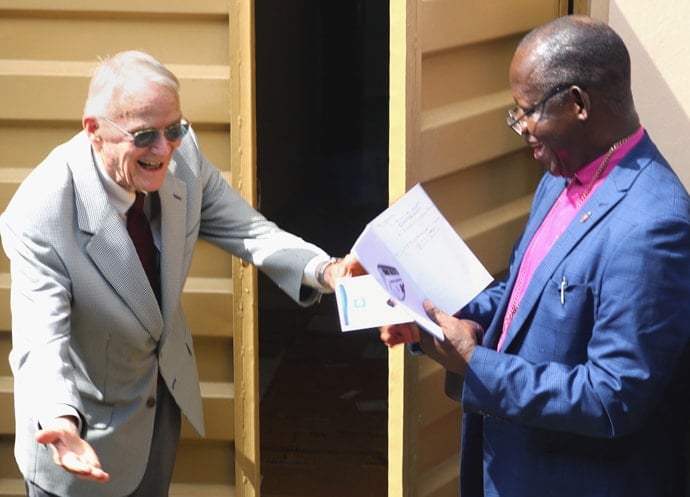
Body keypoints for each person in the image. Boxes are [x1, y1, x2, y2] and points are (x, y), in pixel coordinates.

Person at [0, 50, 362, 497]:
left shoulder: (180, 152)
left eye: (174, 129)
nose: (164, 149)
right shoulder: (41, 211)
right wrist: (60, 420)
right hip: (80, 438)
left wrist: (327, 271)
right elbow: (42, 341)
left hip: (157, 410)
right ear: (94, 130)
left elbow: (246, 229)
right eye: (145, 135)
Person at [380, 15, 690, 497]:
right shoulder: (559, 178)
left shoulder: (654, 227)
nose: (520, 126)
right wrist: (428, 312)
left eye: (527, 111)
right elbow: (522, 300)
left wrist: (475, 362)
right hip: (510, 469)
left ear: (577, 103)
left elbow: (611, 398)